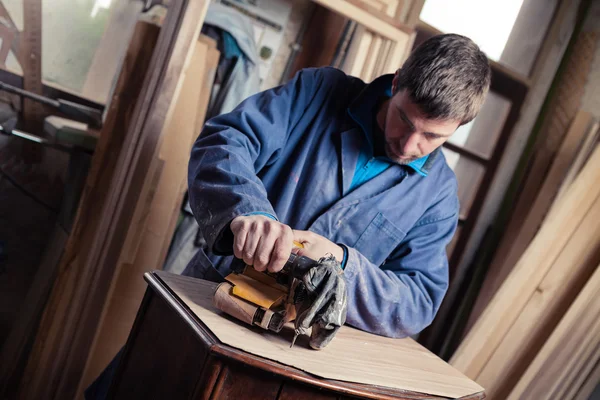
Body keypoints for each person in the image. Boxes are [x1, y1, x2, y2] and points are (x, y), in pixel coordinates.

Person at [184, 33, 490, 339]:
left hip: (297, 342)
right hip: (214, 293)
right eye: (405, 120)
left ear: (458, 126)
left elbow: (417, 301)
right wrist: (249, 212)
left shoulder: (438, 197)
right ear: (395, 84)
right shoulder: (317, 91)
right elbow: (225, 141)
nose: (410, 144)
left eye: (432, 136)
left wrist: (341, 263)